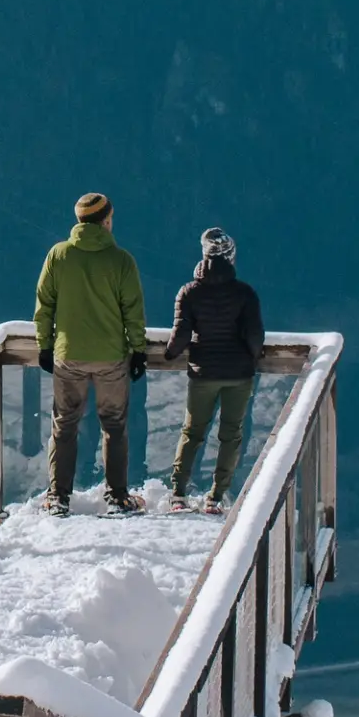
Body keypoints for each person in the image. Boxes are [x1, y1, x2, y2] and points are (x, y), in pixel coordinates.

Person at [33, 191, 147, 513]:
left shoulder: (58, 255)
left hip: (68, 356)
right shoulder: (122, 260)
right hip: (111, 357)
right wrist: (138, 349)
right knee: (113, 425)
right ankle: (117, 495)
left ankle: (58, 496)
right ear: (106, 220)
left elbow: (45, 306)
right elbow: (133, 312)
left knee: (65, 425)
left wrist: (45, 344)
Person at [163, 227, 265, 507]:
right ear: (231, 257)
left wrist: (169, 355)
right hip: (238, 374)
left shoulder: (189, 292)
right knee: (230, 434)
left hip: (203, 371)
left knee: (192, 431)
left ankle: (178, 493)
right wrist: (251, 357)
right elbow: (255, 335)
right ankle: (216, 496)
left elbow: (181, 334)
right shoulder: (245, 294)